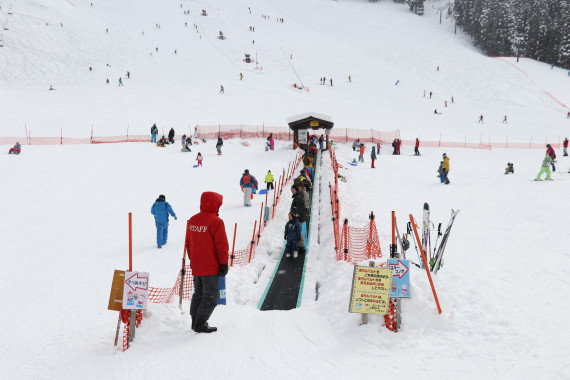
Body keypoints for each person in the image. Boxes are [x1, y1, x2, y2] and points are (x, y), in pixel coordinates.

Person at [186, 191, 229, 333]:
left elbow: (188, 243)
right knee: (211, 296)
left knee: (198, 293)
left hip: (197, 265)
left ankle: (194, 321)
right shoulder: (216, 222)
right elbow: (221, 246)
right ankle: (201, 323)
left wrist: (193, 260)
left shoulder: (192, 220)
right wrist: (223, 263)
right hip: (210, 266)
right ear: (215, 205)